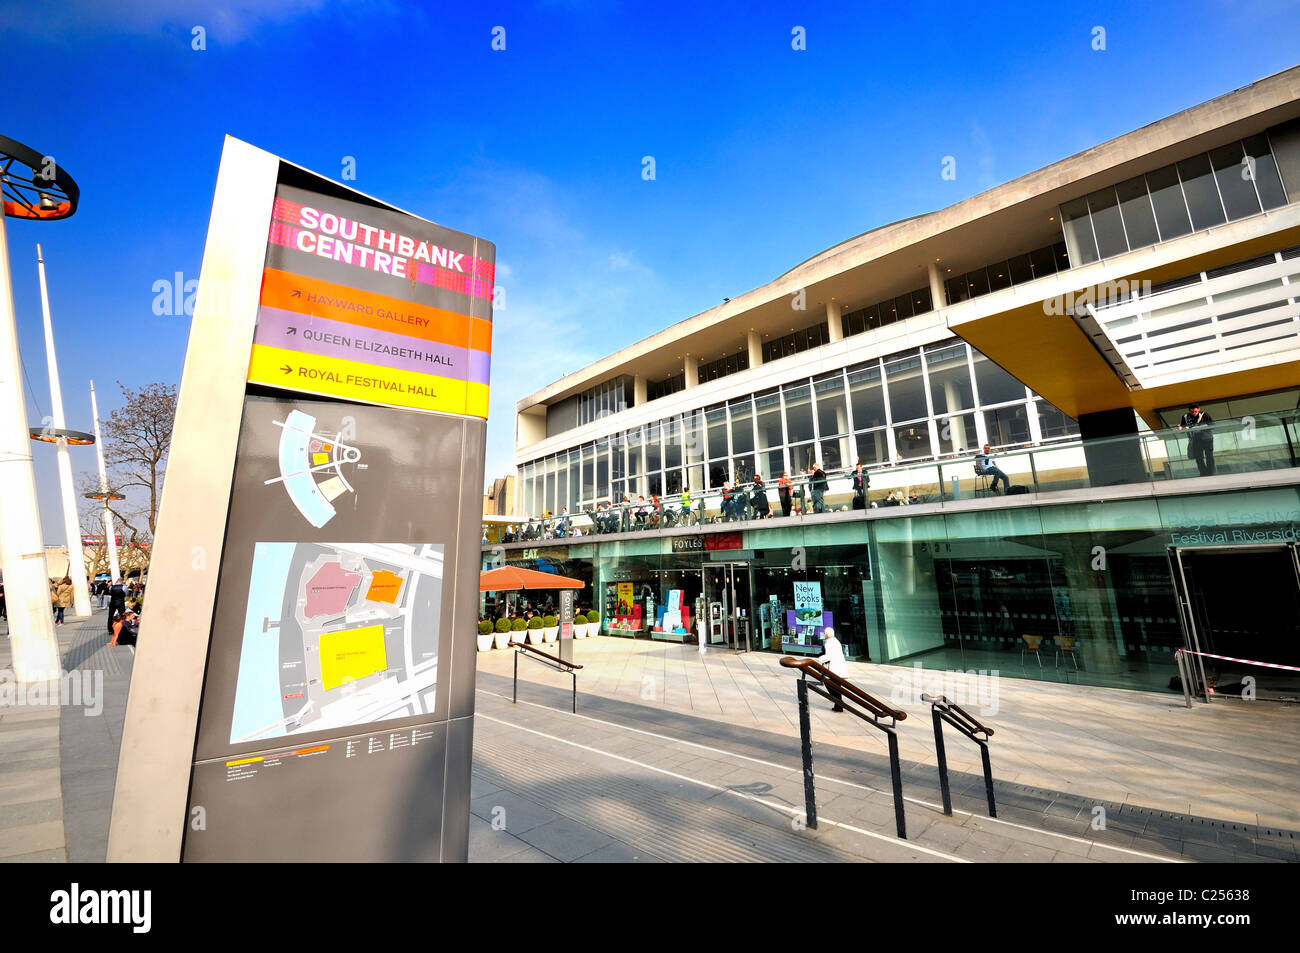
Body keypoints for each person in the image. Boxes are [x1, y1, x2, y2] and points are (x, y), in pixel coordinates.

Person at [1179, 403, 1216, 476]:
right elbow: (1183, 427)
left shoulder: (1204, 414)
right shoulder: (1185, 417)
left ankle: (1210, 473)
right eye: (1192, 412)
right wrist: (1180, 427)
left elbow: (1212, 425)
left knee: (1209, 456)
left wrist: (1201, 429)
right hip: (1195, 439)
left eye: (1196, 411)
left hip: (1207, 438)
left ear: (1199, 409)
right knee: (1198, 457)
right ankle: (1203, 473)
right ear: (1189, 411)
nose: (1194, 413)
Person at [819, 626, 848, 712]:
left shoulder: (829, 643)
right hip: (839, 669)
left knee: (830, 685)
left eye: (825, 633)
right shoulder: (836, 641)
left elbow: (829, 656)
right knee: (837, 687)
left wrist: (820, 658)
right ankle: (838, 706)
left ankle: (839, 704)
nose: (824, 635)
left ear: (827, 634)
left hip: (834, 669)